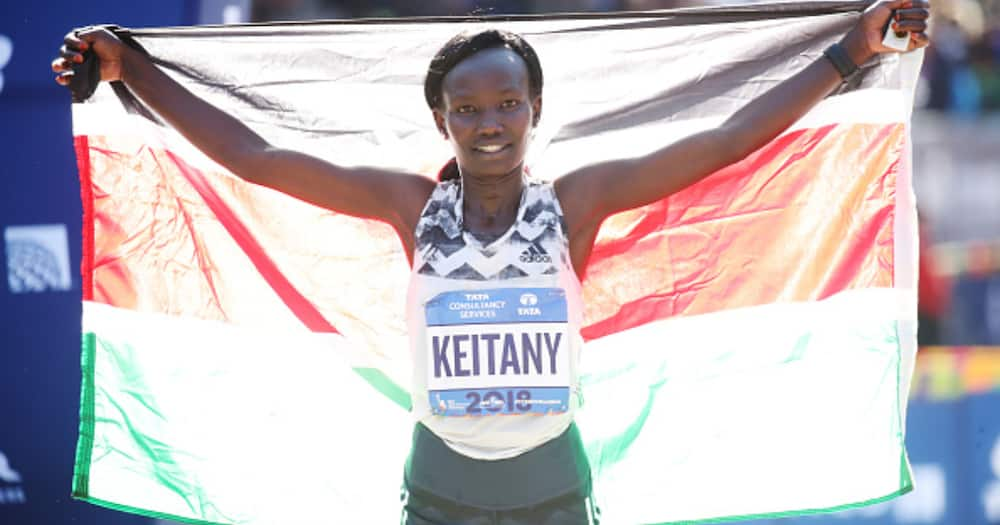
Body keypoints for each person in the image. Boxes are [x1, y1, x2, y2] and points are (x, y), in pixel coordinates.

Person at [52, 2, 930, 524]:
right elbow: (256, 157)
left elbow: (727, 138)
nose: (489, 122)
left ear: (535, 108)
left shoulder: (574, 204)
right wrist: (131, 70)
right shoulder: (411, 206)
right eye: (468, 108)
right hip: (438, 486)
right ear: (442, 120)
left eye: (507, 102)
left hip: (554, 484)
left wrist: (850, 53)